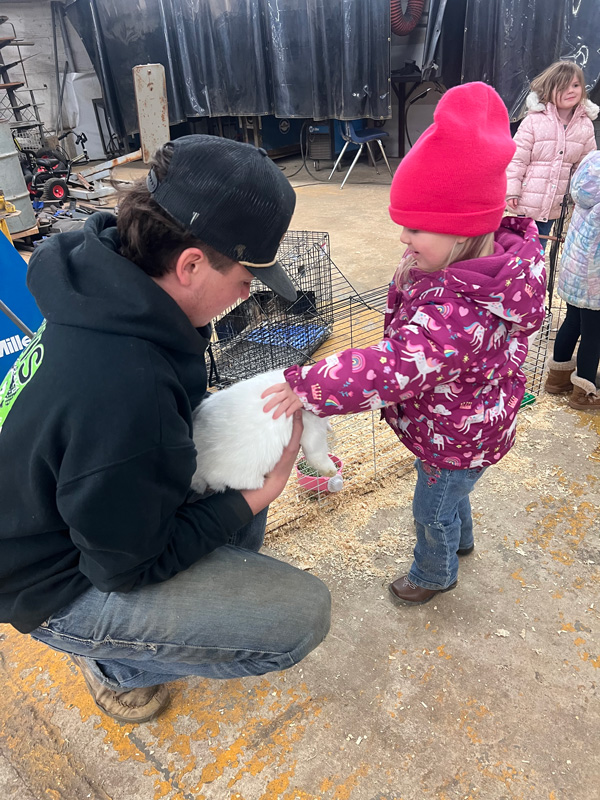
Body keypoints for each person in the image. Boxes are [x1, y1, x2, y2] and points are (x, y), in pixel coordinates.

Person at [0, 135, 331, 724]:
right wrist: (261, 493)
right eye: (247, 278)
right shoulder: (129, 388)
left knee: (229, 480)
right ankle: (117, 663)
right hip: (48, 578)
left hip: (68, 504)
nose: (248, 293)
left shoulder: (107, 286)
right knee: (296, 618)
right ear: (191, 265)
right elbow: (121, 567)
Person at [263, 82, 547, 607]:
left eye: (416, 229)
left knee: (431, 508)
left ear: (460, 229)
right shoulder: (472, 271)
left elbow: (393, 366)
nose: (403, 239)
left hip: (455, 433)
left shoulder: (459, 311)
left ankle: (433, 575)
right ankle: (460, 543)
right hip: (462, 426)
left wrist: (311, 385)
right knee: (451, 494)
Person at [506, 60, 598, 248]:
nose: (571, 91)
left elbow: (587, 167)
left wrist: (585, 197)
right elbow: (517, 158)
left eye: (575, 85)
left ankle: (536, 275)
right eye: (563, 87)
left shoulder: (585, 125)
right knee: (523, 248)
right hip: (529, 200)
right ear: (549, 90)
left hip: (556, 204)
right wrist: (511, 190)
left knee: (541, 247)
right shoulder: (534, 121)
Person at [544, 151, 600, 408]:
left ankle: (557, 379)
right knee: (594, 333)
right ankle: (584, 391)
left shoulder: (592, 166)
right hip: (595, 279)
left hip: (575, 271)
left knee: (573, 321)